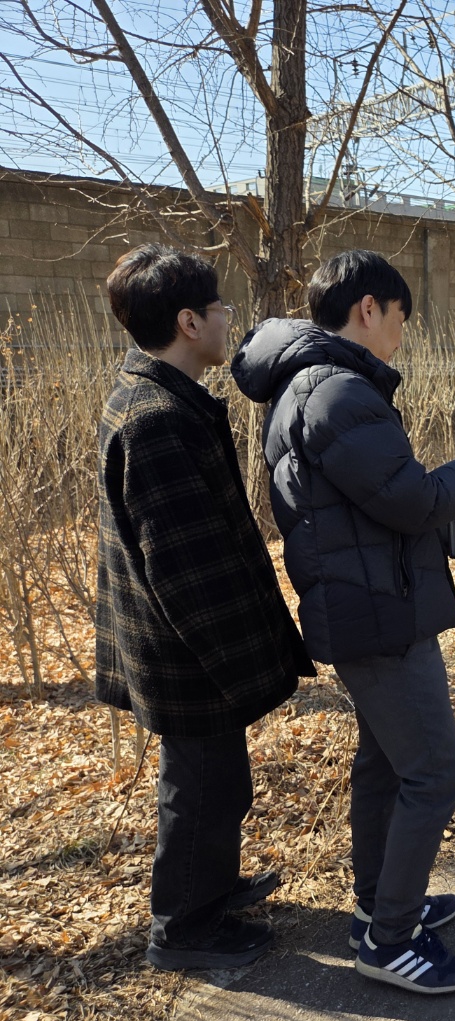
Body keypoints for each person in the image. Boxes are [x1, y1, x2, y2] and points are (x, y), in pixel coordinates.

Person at [232, 250, 455, 995]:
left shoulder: (311, 388)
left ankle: (385, 904)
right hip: (377, 614)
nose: (403, 335)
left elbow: (372, 511)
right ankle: (389, 940)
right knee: (432, 772)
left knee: (386, 763)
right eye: (401, 319)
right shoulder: (337, 392)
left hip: (370, 600)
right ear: (369, 310)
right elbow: (409, 499)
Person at [96, 244, 314, 972]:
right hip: (184, 648)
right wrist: (242, 661)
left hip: (181, 642)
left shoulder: (157, 396)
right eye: (219, 309)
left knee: (219, 781)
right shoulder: (158, 417)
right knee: (202, 788)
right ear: (189, 322)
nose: (229, 319)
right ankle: (183, 928)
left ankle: (211, 889)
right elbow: (184, 568)